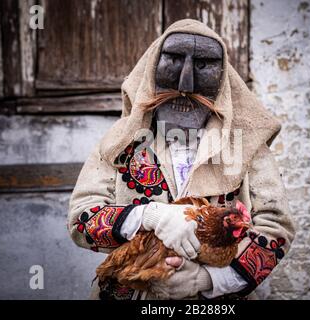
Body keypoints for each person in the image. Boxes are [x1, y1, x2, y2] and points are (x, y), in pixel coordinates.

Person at [67, 19, 295, 300]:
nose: (185, 84)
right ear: (152, 69)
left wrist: (208, 279)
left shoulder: (248, 145)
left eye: (203, 65)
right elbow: (81, 221)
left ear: (222, 79)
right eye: (173, 59)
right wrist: (150, 216)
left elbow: (277, 227)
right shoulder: (119, 142)